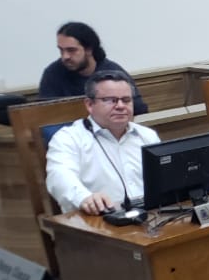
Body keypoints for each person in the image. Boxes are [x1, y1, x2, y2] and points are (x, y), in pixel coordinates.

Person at [45, 69, 161, 215]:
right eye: (110, 100)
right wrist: (84, 198)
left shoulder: (147, 135)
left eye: (126, 100)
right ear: (89, 104)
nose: (120, 106)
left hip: (151, 217)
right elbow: (58, 177)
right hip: (97, 220)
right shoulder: (68, 138)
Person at [38, 22, 148, 115]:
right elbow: (45, 115)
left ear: (89, 49)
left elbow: (138, 108)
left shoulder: (113, 73)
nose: (65, 56)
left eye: (71, 50)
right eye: (61, 50)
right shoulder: (52, 73)